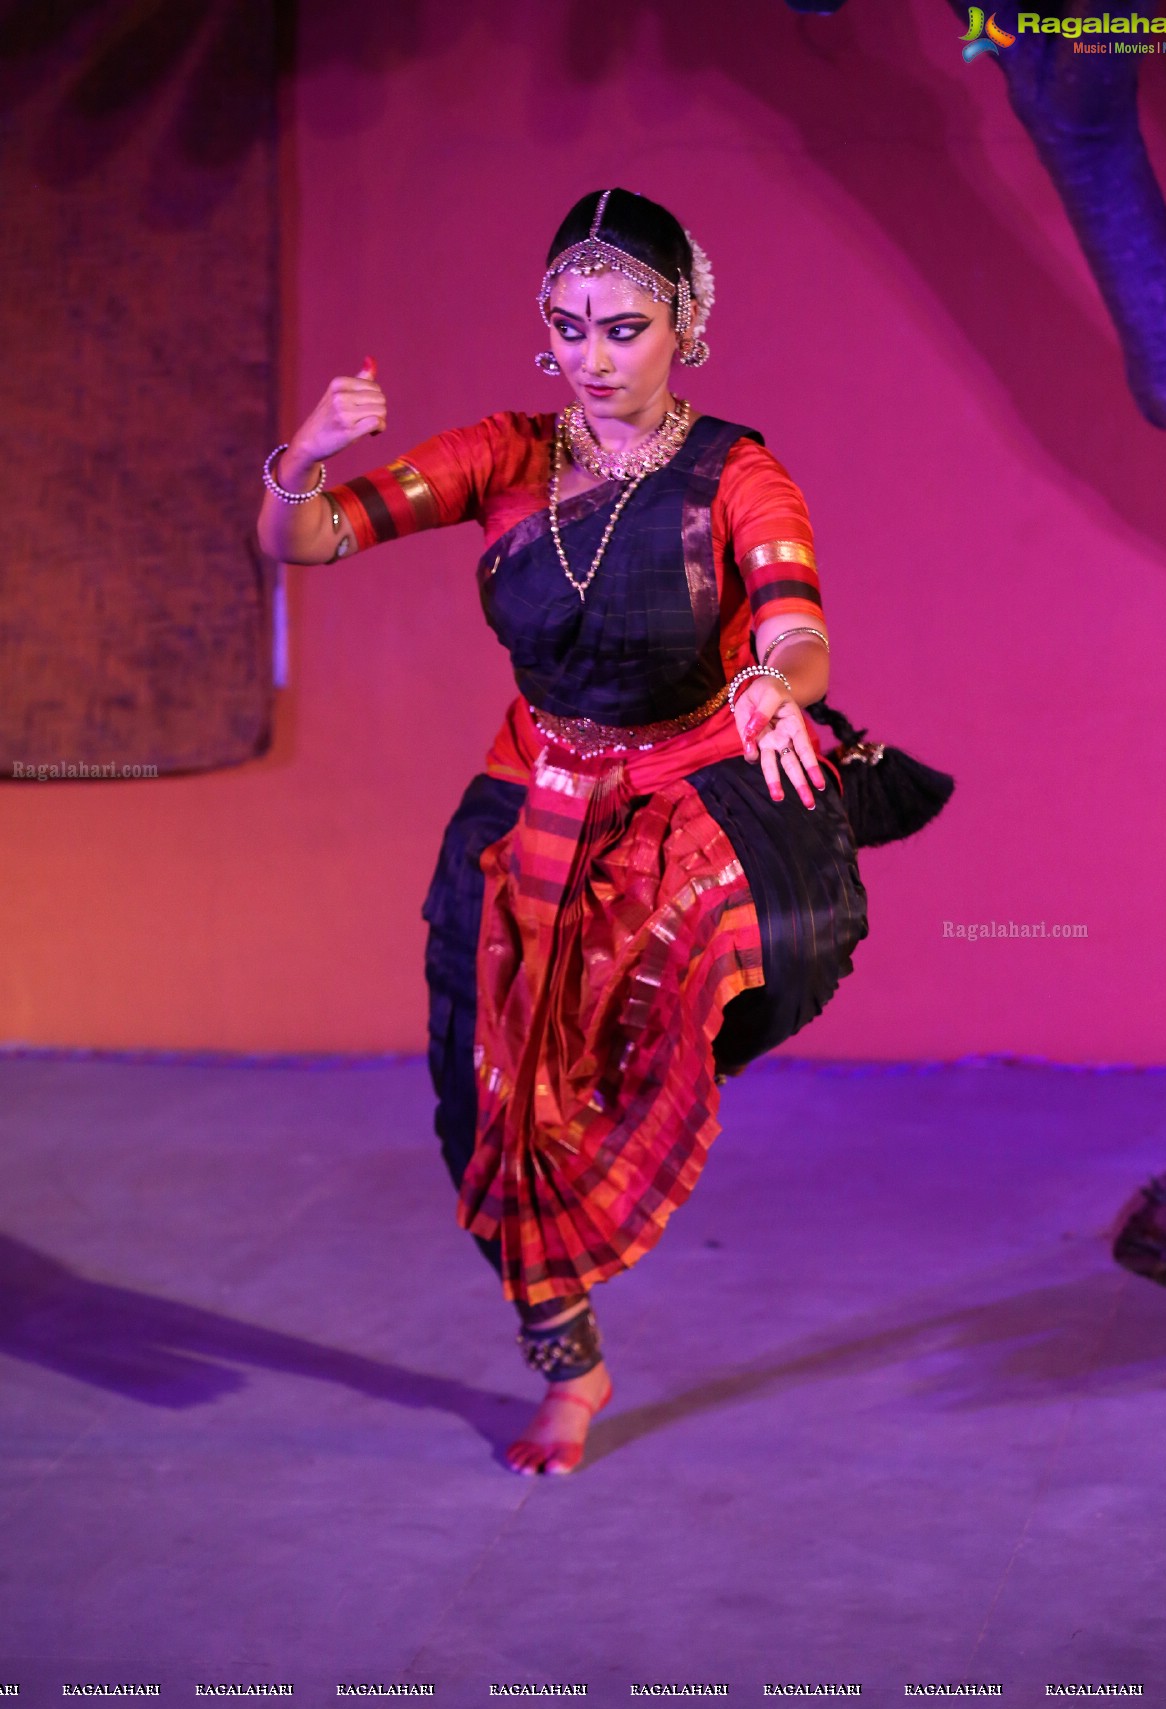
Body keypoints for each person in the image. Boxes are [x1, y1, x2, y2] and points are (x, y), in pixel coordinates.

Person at [257, 188, 869, 1477]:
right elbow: (306, 539)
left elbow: (796, 623)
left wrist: (776, 679)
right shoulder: (508, 453)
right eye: (569, 327)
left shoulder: (737, 474)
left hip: (675, 813)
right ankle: (568, 1361)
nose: (594, 358)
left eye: (625, 328)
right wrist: (302, 451)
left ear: (685, 325)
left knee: (627, 1057)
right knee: (485, 1109)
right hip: (522, 807)